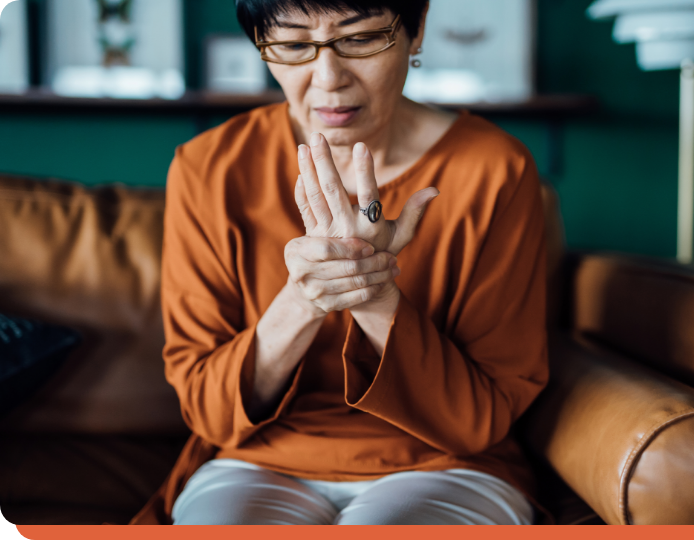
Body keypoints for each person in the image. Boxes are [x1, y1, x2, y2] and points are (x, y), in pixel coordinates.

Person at [131, 0, 549, 525]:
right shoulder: (208, 168)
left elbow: (478, 421)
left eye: (360, 39)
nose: (328, 79)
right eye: (293, 45)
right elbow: (210, 412)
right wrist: (306, 296)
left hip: (448, 462)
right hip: (257, 461)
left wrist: (375, 292)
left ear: (415, 32)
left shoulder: (495, 169)